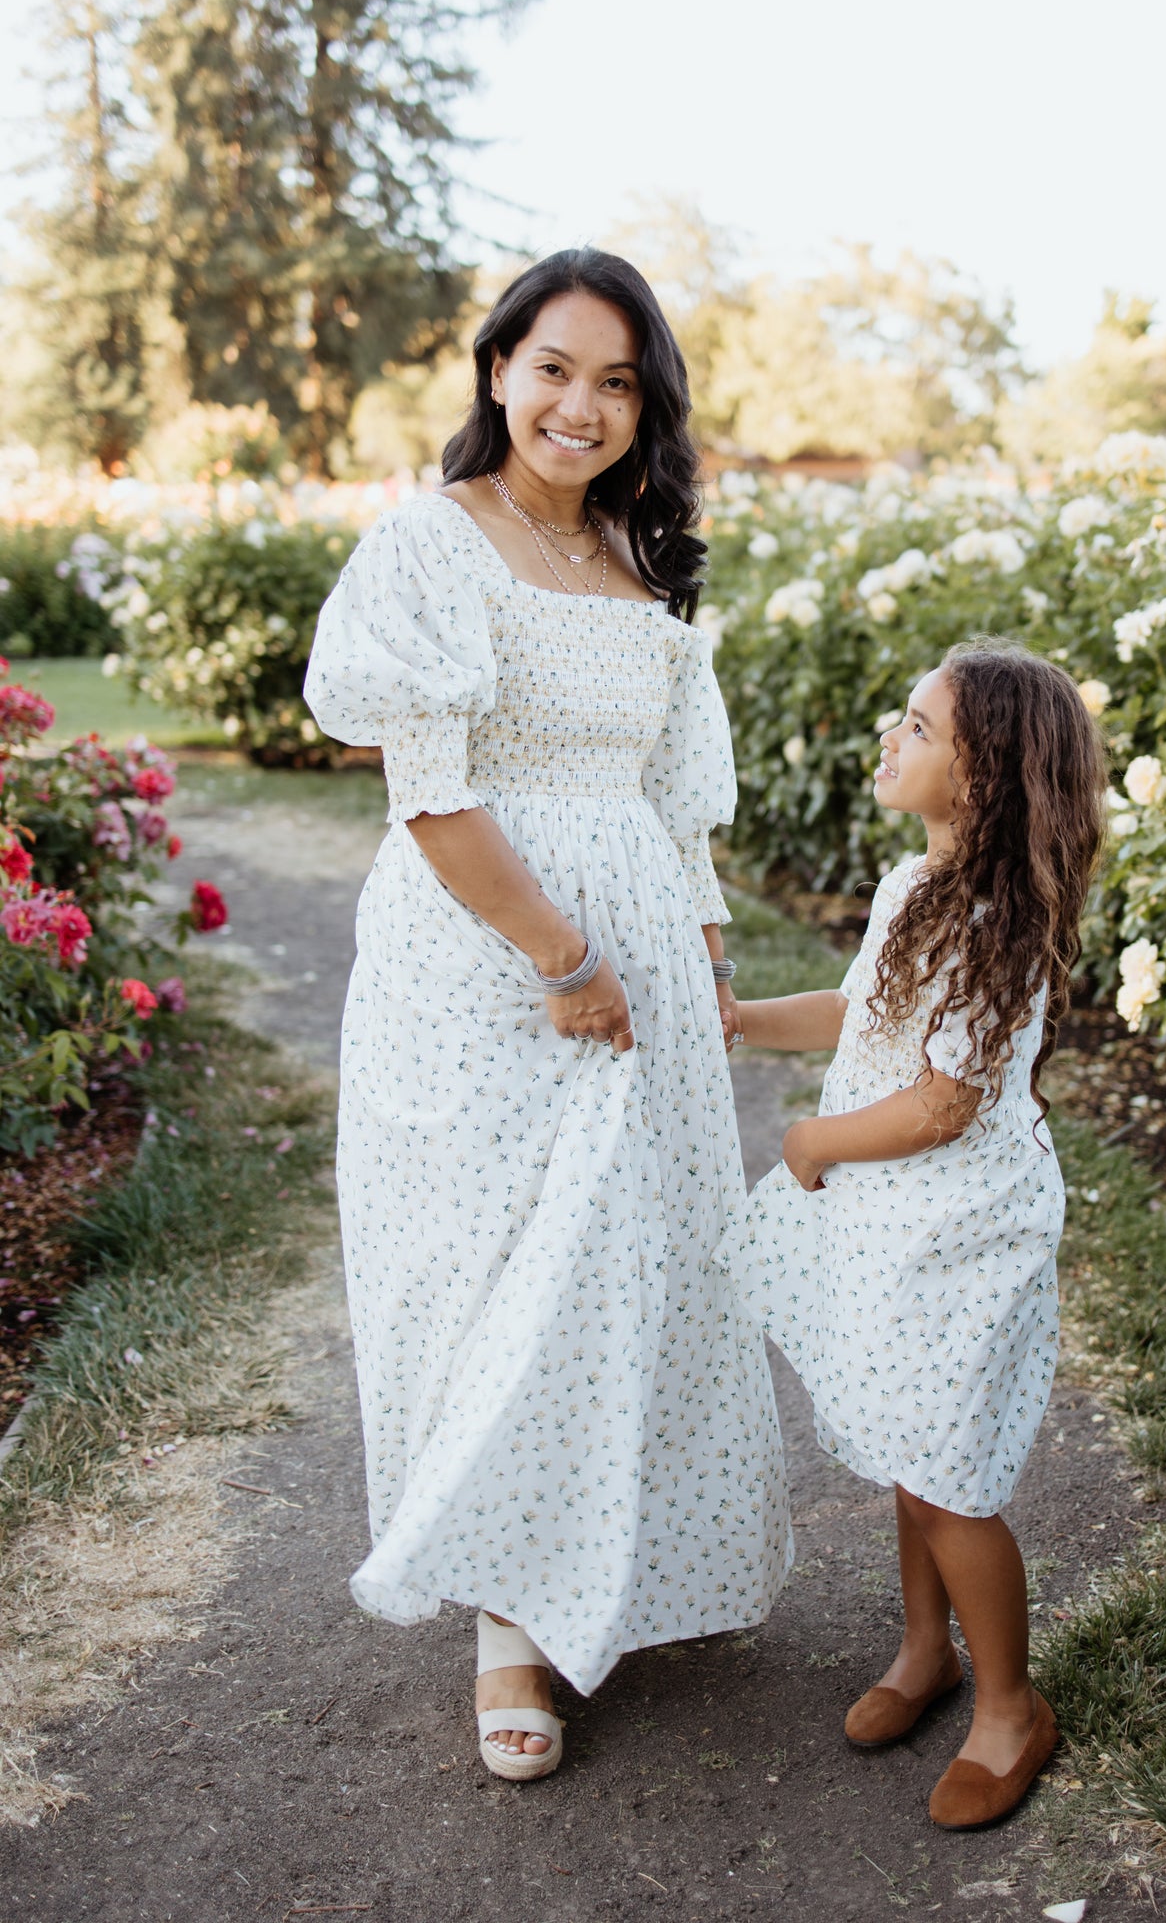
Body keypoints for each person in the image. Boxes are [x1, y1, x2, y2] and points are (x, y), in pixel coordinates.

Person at [303, 249, 790, 1783]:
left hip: (637, 950)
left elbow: (674, 797)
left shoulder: (643, 567)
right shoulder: (431, 548)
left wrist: (693, 952)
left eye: (617, 381)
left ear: (647, 410)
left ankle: (618, 1564)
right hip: (485, 962)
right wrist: (564, 962)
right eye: (555, 368)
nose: (581, 406)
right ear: (498, 368)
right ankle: (508, 1619)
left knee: (632, 1263)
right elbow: (434, 799)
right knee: (501, 1277)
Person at [717, 643, 1104, 1829]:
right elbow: (859, 1008)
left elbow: (944, 1100)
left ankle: (1007, 1704)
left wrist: (816, 1141)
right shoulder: (909, 883)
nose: (890, 738)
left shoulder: (997, 914)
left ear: (984, 776)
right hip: (897, 1218)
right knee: (905, 1435)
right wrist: (742, 1019)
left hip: (959, 1226)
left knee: (948, 1475)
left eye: (918, 727)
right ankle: (920, 1647)